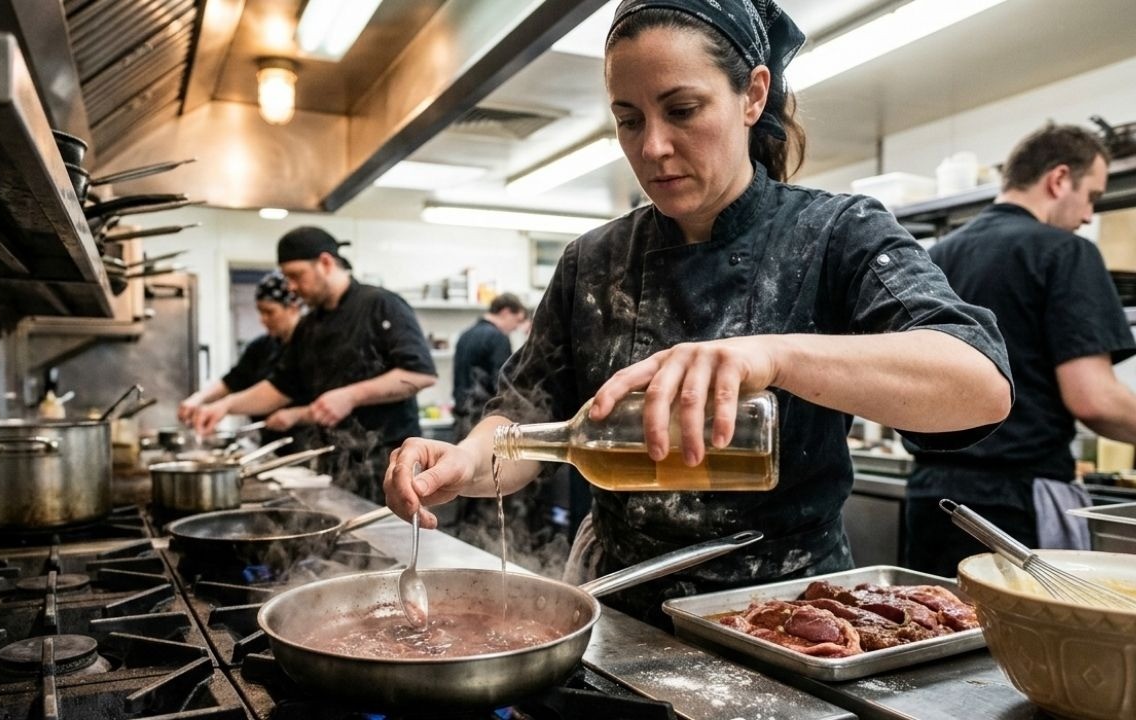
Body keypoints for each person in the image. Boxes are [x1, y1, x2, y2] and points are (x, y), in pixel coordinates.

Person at [384, 0, 1013, 628]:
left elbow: (977, 385)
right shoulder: (593, 261)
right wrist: (469, 462)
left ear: (752, 95)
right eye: (628, 120)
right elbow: (525, 417)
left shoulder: (836, 234)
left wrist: (774, 354)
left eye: (682, 110)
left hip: (791, 618)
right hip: (619, 610)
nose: (653, 146)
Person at [905, 124, 1132, 577]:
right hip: (1015, 506)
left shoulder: (933, 257)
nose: (1089, 216)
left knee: (938, 634)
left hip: (930, 497)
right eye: (1091, 196)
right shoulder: (1066, 253)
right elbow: (1095, 399)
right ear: (1059, 179)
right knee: (1028, 645)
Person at [194, 226, 437, 502]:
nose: (292, 287)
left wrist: (351, 396)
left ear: (325, 262)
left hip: (388, 463)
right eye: (287, 278)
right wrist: (224, 406)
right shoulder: (309, 325)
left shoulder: (380, 304)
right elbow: (280, 387)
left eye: (297, 276)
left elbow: (421, 374)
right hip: (334, 463)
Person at [178, 272, 304, 446]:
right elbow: (234, 380)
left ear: (293, 307)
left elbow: (279, 389)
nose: (263, 320)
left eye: (269, 312)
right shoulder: (261, 346)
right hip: (270, 444)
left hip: (306, 444)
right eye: (260, 312)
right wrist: (198, 399)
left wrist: (225, 406)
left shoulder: (309, 345)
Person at [452, 293, 528, 437]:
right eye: (517, 321)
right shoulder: (498, 338)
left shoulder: (465, 335)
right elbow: (503, 384)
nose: (516, 327)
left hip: (461, 418)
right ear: (505, 312)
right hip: (483, 421)